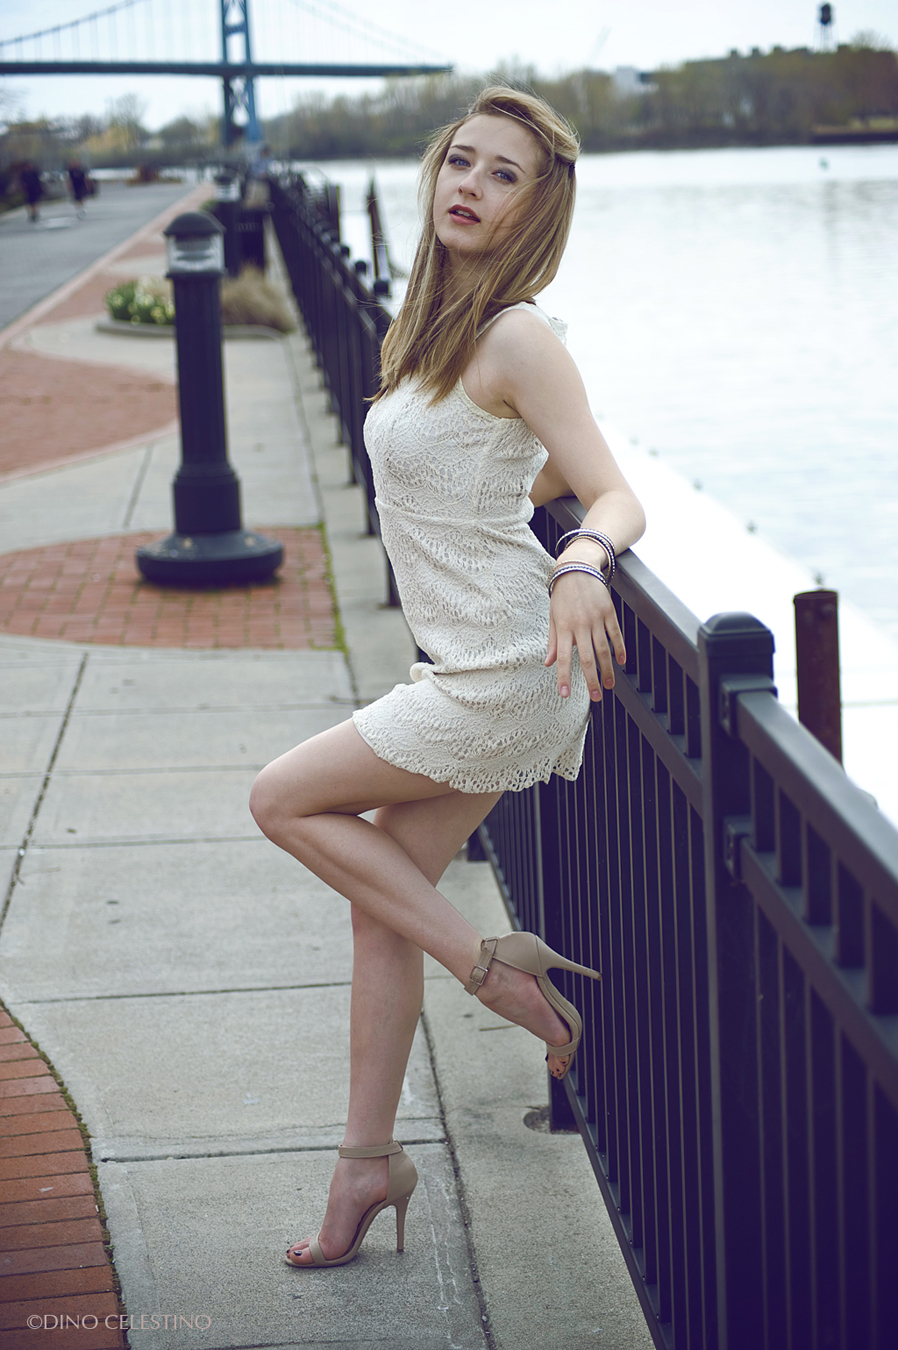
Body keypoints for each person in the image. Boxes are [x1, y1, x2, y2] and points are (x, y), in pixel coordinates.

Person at [250, 85, 646, 1270]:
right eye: (458, 162)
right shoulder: (429, 324)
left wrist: (580, 557)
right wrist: (513, 509)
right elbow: (474, 475)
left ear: (536, 208)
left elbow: (615, 490)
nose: (467, 184)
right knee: (384, 907)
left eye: (501, 173)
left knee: (280, 797)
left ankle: (492, 972)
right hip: (467, 657)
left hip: (505, 670)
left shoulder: (522, 334)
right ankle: (366, 1168)